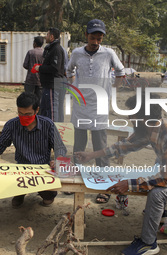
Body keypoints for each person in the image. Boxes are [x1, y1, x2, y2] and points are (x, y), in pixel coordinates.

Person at [75, 92, 167, 255]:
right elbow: (123, 146)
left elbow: (165, 179)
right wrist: (91, 155)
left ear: (143, 117)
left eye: (132, 114)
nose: (129, 117)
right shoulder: (149, 128)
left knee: (157, 193)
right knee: (152, 174)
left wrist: (129, 184)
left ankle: (148, 243)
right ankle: (159, 215)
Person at [66, 19, 125, 204]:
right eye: (93, 38)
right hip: (81, 105)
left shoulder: (109, 53)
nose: (96, 42)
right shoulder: (76, 53)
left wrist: (112, 90)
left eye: (99, 38)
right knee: (79, 143)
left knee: (101, 145)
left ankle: (104, 185)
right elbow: (69, 70)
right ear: (86, 35)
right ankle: (76, 180)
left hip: (99, 106)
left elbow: (121, 72)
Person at [0, 92, 67, 207]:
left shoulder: (48, 125)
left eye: (28, 114)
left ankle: (43, 192)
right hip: (21, 168)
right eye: (20, 113)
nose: (24, 117)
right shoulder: (12, 125)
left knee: (48, 199)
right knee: (15, 202)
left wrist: (57, 160)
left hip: (43, 169)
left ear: (37, 111)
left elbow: (60, 147)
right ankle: (20, 193)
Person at [34, 27, 65, 121]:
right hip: (47, 85)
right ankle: (45, 129)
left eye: (47, 35)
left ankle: (53, 130)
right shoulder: (51, 48)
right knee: (45, 108)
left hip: (53, 84)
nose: (45, 37)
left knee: (52, 110)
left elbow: (55, 68)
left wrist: (40, 68)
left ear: (51, 37)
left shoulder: (56, 49)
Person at [23, 36, 44, 101]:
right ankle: (38, 111)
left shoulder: (30, 52)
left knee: (28, 100)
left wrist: (31, 68)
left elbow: (25, 65)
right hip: (41, 81)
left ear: (34, 43)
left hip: (30, 80)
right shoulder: (45, 53)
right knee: (39, 100)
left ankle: (29, 111)